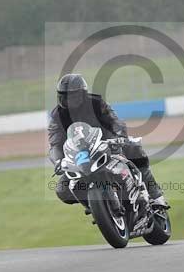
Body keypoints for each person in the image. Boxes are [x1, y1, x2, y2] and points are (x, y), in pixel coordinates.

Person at [48, 73, 169, 210]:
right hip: (80, 157)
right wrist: (58, 161)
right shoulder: (57, 115)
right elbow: (55, 143)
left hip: (108, 146)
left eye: (74, 96)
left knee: (135, 151)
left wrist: (119, 136)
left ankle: (156, 196)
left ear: (82, 94)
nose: (70, 100)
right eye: (65, 97)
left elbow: (114, 121)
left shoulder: (96, 103)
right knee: (62, 190)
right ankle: (96, 206)